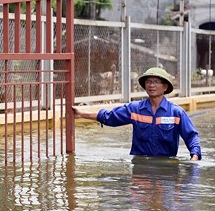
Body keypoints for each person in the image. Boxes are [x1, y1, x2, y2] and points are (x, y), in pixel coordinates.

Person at [73, 67, 201, 161]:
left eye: (156, 82)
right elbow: (109, 117)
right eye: (148, 82)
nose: (151, 85)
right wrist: (81, 114)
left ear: (165, 87)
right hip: (140, 167)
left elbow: (192, 137)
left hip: (166, 167)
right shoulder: (135, 109)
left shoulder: (176, 113)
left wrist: (194, 158)